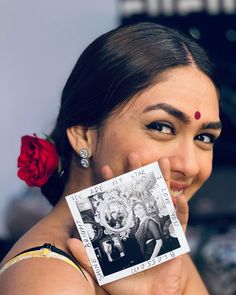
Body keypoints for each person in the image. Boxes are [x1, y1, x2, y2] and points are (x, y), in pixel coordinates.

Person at [0, 21, 222, 294]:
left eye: (204, 137)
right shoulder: (50, 280)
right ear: (83, 136)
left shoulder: (157, 260)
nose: (189, 166)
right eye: (161, 127)